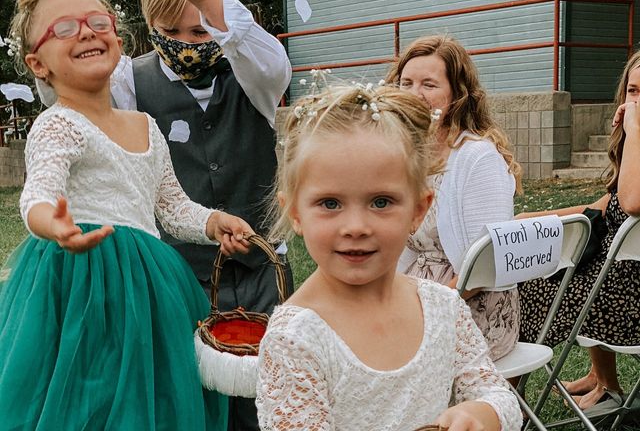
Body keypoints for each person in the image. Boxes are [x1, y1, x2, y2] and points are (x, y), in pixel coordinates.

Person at [37, 0, 293, 428]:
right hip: (180, 276)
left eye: (200, 32)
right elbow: (68, 95)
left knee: (268, 395)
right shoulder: (130, 81)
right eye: (170, 32)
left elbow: (271, 58)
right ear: (148, 25)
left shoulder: (253, 76)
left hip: (261, 270)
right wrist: (64, 2)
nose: (187, 45)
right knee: (187, 396)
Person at [256, 84, 522, 430]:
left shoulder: (443, 307)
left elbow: (495, 390)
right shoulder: (295, 339)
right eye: (330, 204)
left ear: (418, 209)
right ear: (294, 212)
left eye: (381, 202)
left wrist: (483, 412)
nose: (356, 227)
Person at [386, 35, 522, 361]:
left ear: (457, 94)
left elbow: (485, 266)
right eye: (406, 83)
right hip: (411, 296)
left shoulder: (477, 156)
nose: (415, 94)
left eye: (429, 85)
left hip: (470, 308)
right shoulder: (403, 155)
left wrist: (421, 313)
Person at [518, 50, 640, 410]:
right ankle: (600, 378)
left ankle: (511, 395)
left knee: (547, 279)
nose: (637, 101)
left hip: (629, 303)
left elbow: (632, 202)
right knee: (577, 259)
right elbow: (609, 202)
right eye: (633, 91)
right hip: (619, 280)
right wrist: (542, 217)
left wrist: (634, 130)